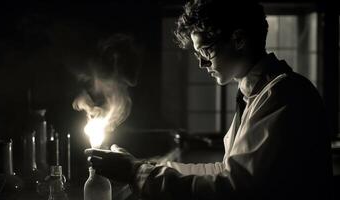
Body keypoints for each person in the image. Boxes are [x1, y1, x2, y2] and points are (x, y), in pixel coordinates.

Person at [85, 0, 332, 199]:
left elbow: (235, 187)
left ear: (238, 39)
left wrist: (138, 172)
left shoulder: (283, 95)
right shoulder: (256, 94)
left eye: (206, 51)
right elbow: (225, 171)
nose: (202, 63)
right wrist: (142, 166)